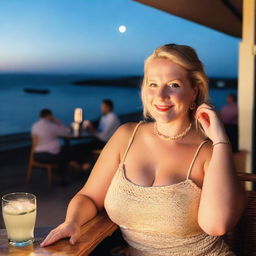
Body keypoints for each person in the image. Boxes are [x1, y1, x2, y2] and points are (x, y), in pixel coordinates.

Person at [40, 44, 245, 255]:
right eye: (153, 84)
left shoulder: (208, 152)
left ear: (194, 91)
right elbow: (89, 197)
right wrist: (72, 221)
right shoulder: (125, 136)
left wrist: (221, 141)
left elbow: (217, 225)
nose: (161, 95)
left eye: (173, 85)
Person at [31, 108, 69, 185]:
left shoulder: (35, 126)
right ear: (49, 116)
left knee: (63, 155)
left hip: (37, 155)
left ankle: (58, 175)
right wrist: (59, 123)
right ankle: (62, 179)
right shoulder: (52, 126)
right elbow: (65, 133)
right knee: (65, 156)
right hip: (48, 156)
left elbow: (34, 141)